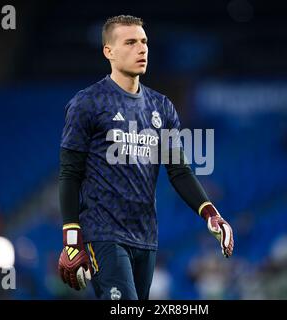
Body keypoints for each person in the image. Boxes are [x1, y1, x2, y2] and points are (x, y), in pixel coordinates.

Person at [57, 15, 234, 300]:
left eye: (144, 42)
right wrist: (72, 238)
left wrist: (210, 213)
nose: (141, 49)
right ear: (109, 52)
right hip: (102, 232)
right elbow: (69, 173)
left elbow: (178, 170)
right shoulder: (87, 103)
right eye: (130, 42)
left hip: (146, 237)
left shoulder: (162, 107)